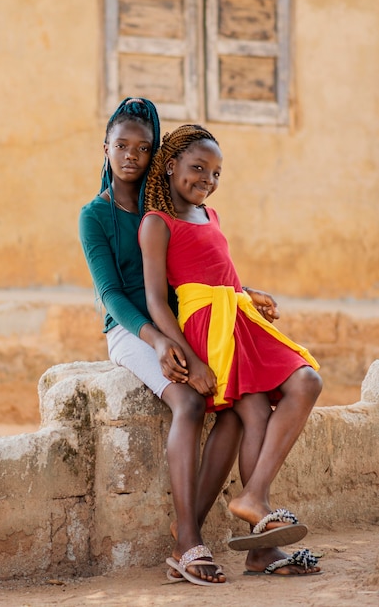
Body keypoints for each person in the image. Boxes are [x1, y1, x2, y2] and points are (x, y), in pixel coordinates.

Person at [79, 98, 286, 585]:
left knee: (236, 404)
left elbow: (199, 271)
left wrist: (244, 293)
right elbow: (111, 294)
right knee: (191, 403)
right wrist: (158, 343)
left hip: (183, 324)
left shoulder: (164, 208)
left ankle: (193, 523)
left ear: (157, 155)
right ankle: (187, 541)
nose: (131, 155)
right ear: (105, 148)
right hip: (132, 331)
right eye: (121, 145)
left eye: (143, 147)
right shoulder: (95, 215)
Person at [139, 124, 323, 576]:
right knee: (255, 409)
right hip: (209, 329)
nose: (207, 179)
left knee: (305, 380)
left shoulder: (211, 215)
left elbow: (222, 274)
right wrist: (193, 359)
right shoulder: (157, 223)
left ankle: (253, 504)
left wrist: (249, 291)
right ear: (170, 166)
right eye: (198, 168)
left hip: (238, 318)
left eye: (216, 172)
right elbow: (157, 301)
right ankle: (253, 533)